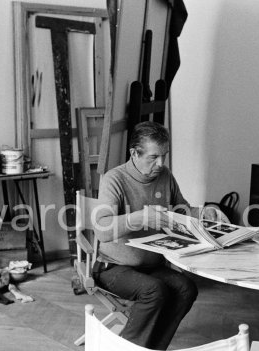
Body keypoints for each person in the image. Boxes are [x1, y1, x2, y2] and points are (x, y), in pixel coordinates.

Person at [94, 121, 202, 350]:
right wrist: (140, 218)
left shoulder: (165, 176)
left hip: (152, 265)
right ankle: (128, 348)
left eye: (164, 156)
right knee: (154, 290)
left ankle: (153, 347)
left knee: (186, 288)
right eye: (153, 157)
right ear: (134, 153)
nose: (161, 164)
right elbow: (101, 230)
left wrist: (205, 213)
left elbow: (182, 211)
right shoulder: (114, 179)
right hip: (113, 267)